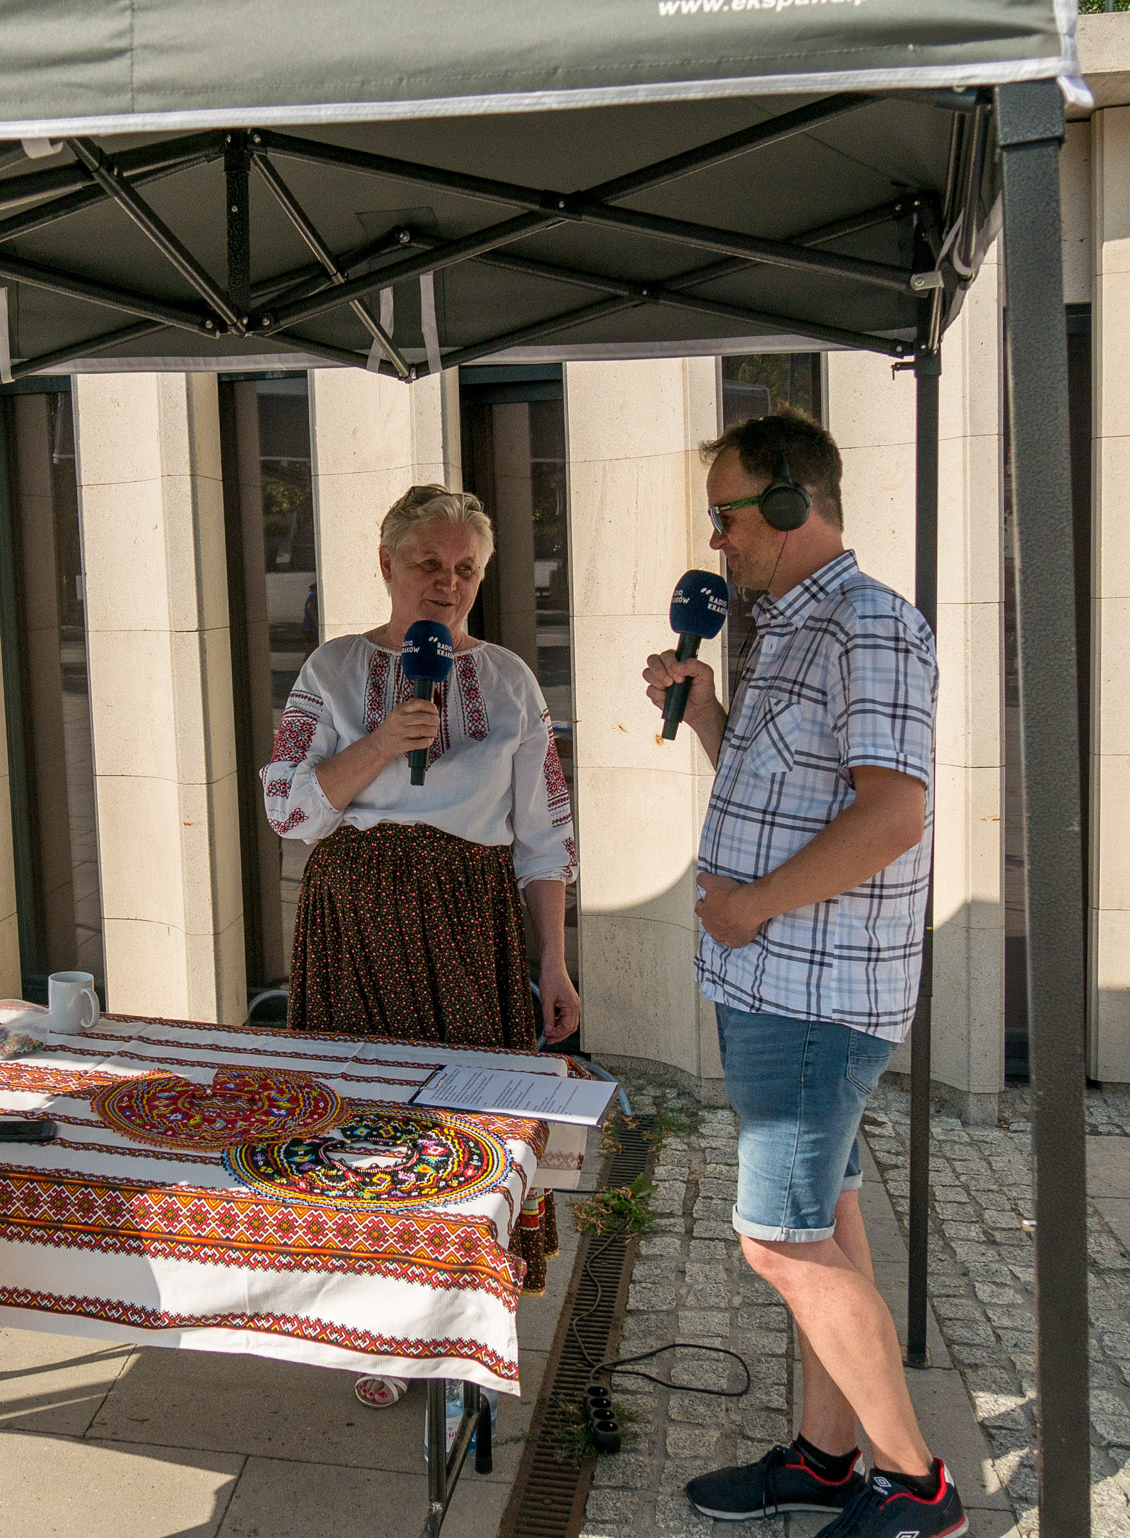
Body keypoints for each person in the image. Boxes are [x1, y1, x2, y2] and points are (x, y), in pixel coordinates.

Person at [642, 414, 965, 1538]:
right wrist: (703, 712)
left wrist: (749, 905)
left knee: (774, 1238)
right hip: (773, 981)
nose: (716, 539)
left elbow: (891, 811)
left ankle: (918, 1489)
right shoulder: (785, 627)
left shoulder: (868, 627)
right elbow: (790, 784)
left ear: (789, 505)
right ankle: (829, 1461)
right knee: (822, 1214)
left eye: (726, 513)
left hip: (811, 991)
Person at [262, 484, 580, 1403]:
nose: (447, 585)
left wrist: (550, 960)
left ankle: (461, 1318)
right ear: (386, 565)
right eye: (429, 566)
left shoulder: (513, 681)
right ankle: (375, 1323)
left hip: (465, 922)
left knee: (466, 1129)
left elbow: (545, 835)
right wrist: (381, 742)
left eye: (465, 570)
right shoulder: (330, 669)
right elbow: (286, 805)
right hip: (353, 916)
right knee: (362, 1127)